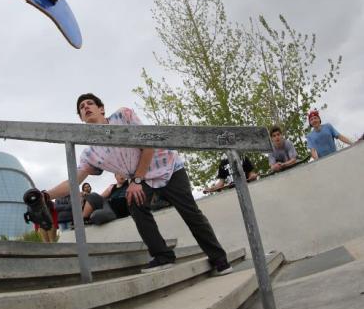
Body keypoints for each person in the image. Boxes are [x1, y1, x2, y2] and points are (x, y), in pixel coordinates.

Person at [45, 94, 232, 274]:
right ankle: (163, 255)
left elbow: (148, 144)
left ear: (101, 109)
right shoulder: (90, 153)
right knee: (135, 203)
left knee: (190, 212)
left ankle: (219, 259)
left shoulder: (123, 115)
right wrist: (45, 195)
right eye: (81, 108)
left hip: (168, 168)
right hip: (143, 179)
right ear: (81, 119)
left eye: (89, 104)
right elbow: (73, 181)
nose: (85, 107)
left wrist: (135, 180)